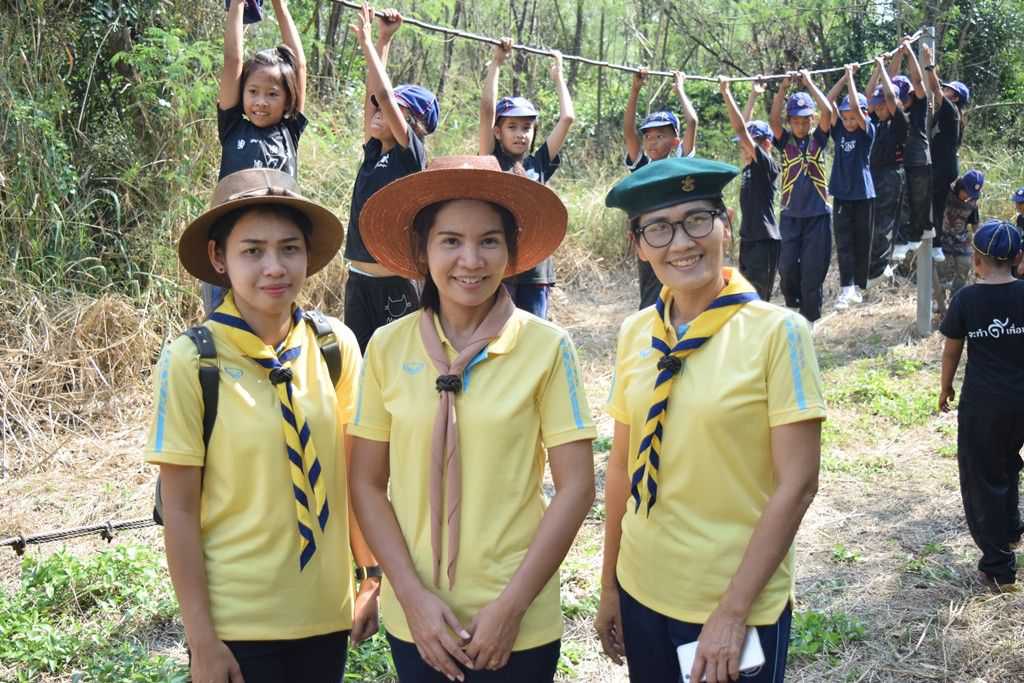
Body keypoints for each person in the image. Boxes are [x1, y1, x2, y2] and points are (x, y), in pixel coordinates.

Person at [348, 155, 597, 682]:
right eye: (450, 241)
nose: (470, 259)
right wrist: (411, 598)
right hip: (419, 621)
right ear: (422, 250)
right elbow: (367, 483)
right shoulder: (387, 348)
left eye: (489, 241)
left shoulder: (546, 348)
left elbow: (576, 486)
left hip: (517, 622)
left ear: (510, 253)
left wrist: (511, 608)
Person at [145, 168, 379, 682]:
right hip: (238, 624)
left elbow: (353, 474)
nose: (274, 267)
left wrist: (369, 575)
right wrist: (201, 640)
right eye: (252, 251)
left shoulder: (335, 347)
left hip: (325, 613)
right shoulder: (192, 361)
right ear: (218, 258)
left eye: (289, 249)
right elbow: (179, 511)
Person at [597, 157, 825, 683]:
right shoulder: (636, 333)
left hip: (730, 599)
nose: (681, 243)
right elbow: (621, 468)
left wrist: (732, 612)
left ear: (727, 224)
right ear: (638, 245)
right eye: (658, 228)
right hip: (642, 587)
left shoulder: (779, 334)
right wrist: (610, 584)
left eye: (697, 220)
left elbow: (798, 484)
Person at [344, 5, 439, 352]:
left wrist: (369, 44)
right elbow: (376, 96)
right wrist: (383, 41)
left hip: (395, 286)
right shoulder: (374, 151)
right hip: (358, 281)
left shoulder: (409, 156)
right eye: (379, 107)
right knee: (360, 362)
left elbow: (382, 95)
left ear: (413, 124)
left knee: (399, 362)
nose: (377, 111)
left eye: (390, 110)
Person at [203, 0, 308, 314]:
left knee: (270, 318)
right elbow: (233, 60)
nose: (261, 102)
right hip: (232, 243)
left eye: (272, 94)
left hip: (273, 250)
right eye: (253, 92)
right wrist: (237, 4)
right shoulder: (233, 126)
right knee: (222, 320)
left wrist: (279, 5)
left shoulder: (289, 130)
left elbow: (300, 66)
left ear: (288, 98)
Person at [939, 220, 1024, 592]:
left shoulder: (966, 300)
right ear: (1018, 258)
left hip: (983, 407)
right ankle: (1011, 529)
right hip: (1021, 402)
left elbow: (952, 350)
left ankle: (998, 567)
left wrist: (945, 387)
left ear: (975, 260)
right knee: (1008, 461)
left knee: (982, 478)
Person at [479, 39, 575, 319]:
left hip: (536, 271)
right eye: (512, 127)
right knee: (499, 332)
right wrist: (497, 63)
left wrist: (558, 77)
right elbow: (486, 110)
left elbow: (567, 118)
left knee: (534, 334)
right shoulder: (490, 160)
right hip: (501, 267)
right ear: (498, 132)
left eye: (527, 127)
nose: (521, 134)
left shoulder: (538, 164)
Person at [623, 68, 701, 309]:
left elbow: (692, 122)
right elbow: (628, 130)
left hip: (679, 237)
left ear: (675, 141)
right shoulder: (642, 167)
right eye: (648, 137)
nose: (652, 141)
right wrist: (635, 90)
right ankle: (651, 327)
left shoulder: (680, 163)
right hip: (651, 238)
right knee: (651, 295)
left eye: (660, 136)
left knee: (681, 291)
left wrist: (680, 90)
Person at [769, 69, 834, 322]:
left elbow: (828, 111)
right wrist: (782, 88)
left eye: (806, 120)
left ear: (812, 120)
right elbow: (773, 120)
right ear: (790, 122)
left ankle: (810, 319)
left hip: (817, 216)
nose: (801, 125)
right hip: (790, 216)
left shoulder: (819, 138)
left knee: (812, 270)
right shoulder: (785, 142)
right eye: (796, 121)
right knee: (786, 267)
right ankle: (795, 305)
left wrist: (809, 83)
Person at [720, 77, 780, 301]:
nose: (744, 148)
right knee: (745, 297)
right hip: (749, 238)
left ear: (767, 144)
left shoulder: (766, 166)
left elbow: (740, 128)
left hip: (764, 239)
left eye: (749, 144)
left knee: (758, 300)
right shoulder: (748, 166)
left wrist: (726, 93)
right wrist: (753, 95)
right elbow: (742, 129)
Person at [825, 65, 876, 309]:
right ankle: (847, 289)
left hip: (863, 194)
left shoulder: (868, 132)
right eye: (844, 117)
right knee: (844, 241)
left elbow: (856, 107)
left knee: (862, 241)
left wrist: (852, 80)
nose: (848, 121)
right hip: (841, 194)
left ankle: (859, 286)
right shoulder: (838, 131)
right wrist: (845, 77)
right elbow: (828, 102)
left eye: (852, 117)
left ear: (864, 115)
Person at [864, 56, 909, 283]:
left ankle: (880, 267)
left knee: (884, 224)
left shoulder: (900, 121)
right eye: (878, 105)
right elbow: (866, 98)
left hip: (891, 175)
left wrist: (883, 68)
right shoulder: (877, 121)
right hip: (873, 174)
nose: (878, 108)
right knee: (871, 222)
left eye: (882, 105)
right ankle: (872, 268)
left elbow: (890, 97)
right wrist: (876, 70)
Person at [924, 45, 969, 265]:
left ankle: (935, 244)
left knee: (935, 204)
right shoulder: (947, 112)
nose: (944, 90)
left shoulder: (951, 110)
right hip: (942, 165)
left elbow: (935, 88)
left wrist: (929, 63)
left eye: (949, 90)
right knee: (935, 204)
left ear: (956, 97)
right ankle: (935, 244)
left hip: (943, 166)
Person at [889, 37, 933, 262]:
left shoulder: (919, 105)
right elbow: (889, 79)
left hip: (919, 161)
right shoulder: (893, 109)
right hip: (900, 162)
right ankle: (904, 240)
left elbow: (917, 80)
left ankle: (920, 233)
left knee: (919, 202)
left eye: (903, 97)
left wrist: (909, 52)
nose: (900, 102)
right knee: (902, 203)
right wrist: (898, 53)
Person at [935, 170, 984, 313]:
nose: (968, 197)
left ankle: (955, 302)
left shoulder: (973, 201)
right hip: (942, 239)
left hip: (961, 240)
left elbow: (975, 224)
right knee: (941, 272)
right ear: (960, 187)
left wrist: (981, 244)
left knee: (964, 267)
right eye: (966, 193)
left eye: (972, 195)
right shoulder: (945, 192)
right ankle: (938, 302)